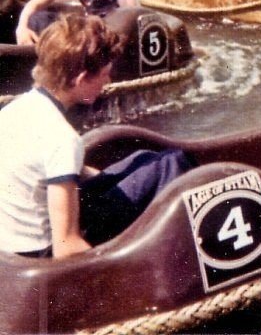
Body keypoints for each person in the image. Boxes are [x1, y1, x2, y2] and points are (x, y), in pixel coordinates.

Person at [0, 14, 192, 258]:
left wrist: (111, 181)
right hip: (41, 254)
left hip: (12, 244)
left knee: (145, 159)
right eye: (104, 74)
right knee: (169, 164)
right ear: (81, 79)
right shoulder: (61, 137)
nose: (108, 81)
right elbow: (66, 246)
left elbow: (40, 170)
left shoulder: (13, 111)